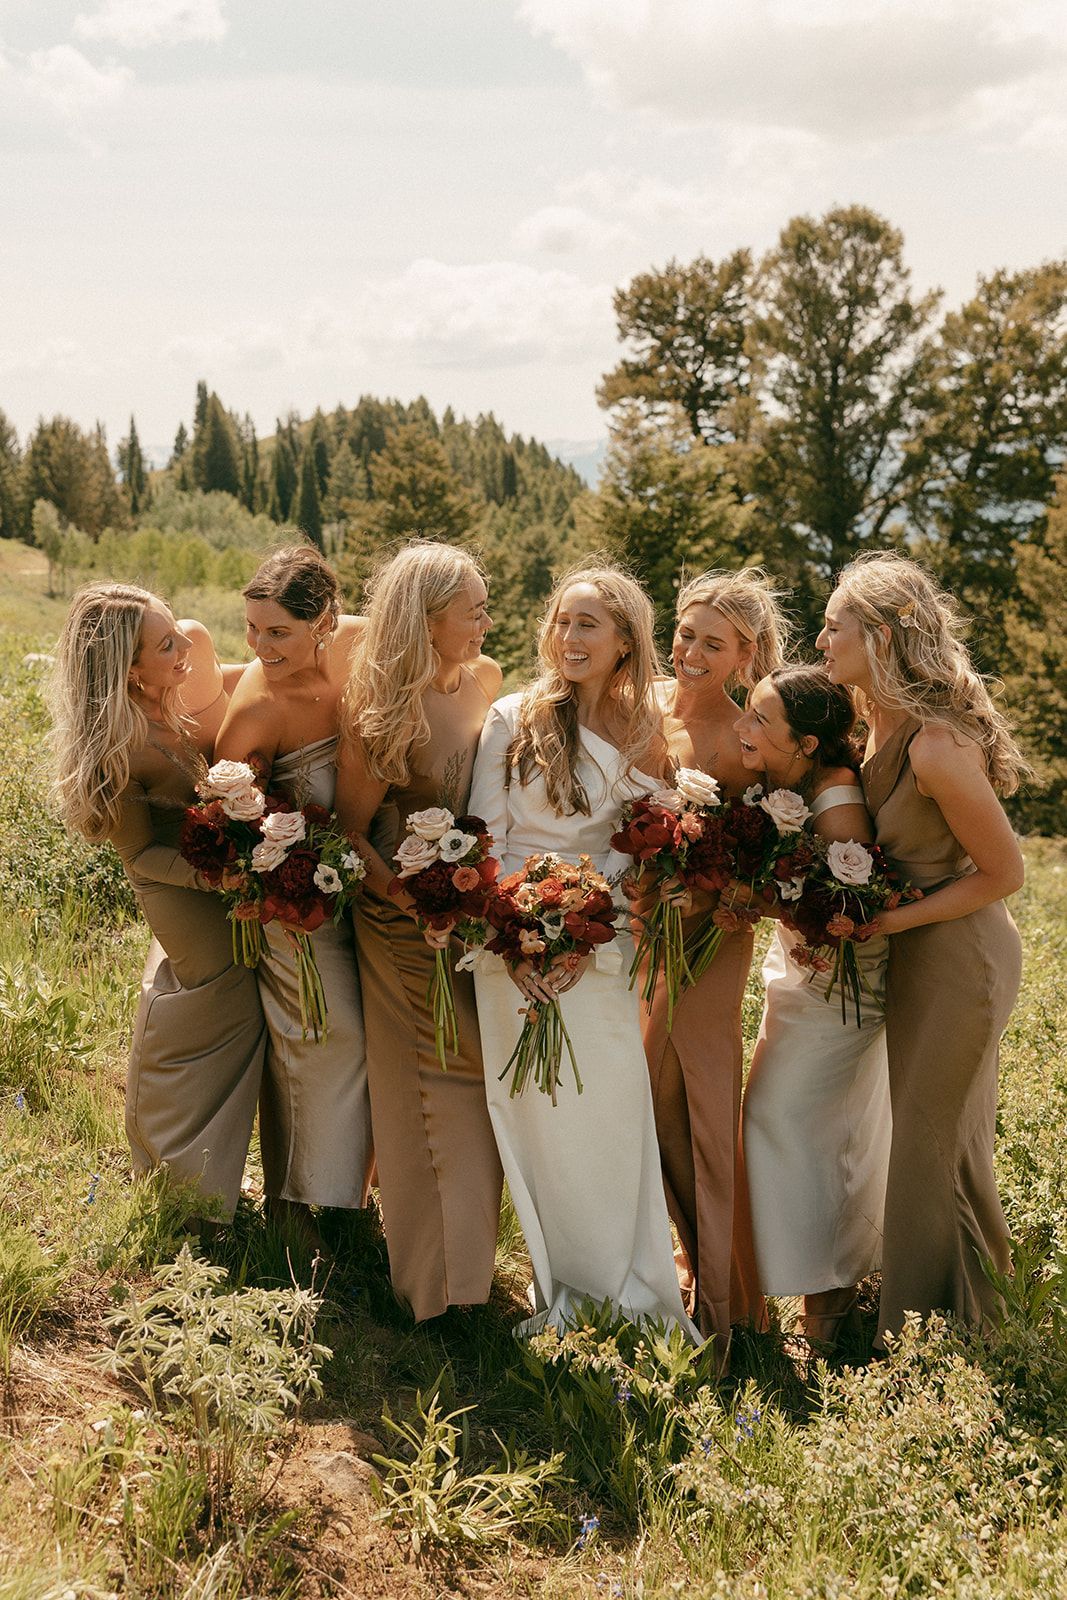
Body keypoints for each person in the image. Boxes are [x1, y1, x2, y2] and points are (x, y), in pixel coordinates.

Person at [469, 562, 699, 1340]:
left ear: (625, 640)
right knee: (531, 1117)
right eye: (563, 621)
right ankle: (561, 1290)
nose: (569, 637)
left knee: (604, 1112)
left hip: (603, 950)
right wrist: (522, 937)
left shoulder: (647, 731)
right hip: (509, 945)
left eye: (588, 624)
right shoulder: (510, 717)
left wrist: (582, 927)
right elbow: (486, 840)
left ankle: (627, 1292)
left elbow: (642, 850)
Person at [818, 551, 1027, 1345]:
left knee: (932, 1143)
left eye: (834, 626)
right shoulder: (875, 721)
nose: (821, 641)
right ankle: (950, 1319)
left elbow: (1002, 873)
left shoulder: (935, 745)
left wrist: (887, 923)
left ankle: (933, 1339)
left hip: (959, 959)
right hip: (918, 952)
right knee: (935, 1136)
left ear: (876, 635)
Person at [48, 582, 265, 1217]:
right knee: (210, 1014)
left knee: (237, 1016)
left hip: (209, 879)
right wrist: (218, 877)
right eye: (165, 644)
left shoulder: (168, 704)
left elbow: (256, 676)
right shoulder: (123, 747)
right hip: (176, 889)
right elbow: (139, 857)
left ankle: (203, 1176)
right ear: (128, 666)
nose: (185, 650)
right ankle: (169, 1174)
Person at [334, 540, 504, 1322]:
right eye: (472, 611)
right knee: (426, 1095)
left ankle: (467, 1276)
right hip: (403, 928)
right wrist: (410, 902)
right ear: (426, 620)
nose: (485, 621)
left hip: (468, 925)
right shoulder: (382, 712)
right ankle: (433, 1299)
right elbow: (347, 832)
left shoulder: (487, 683)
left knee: (472, 1086)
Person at [632, 569, 788, 1351]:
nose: (691, 651)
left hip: (706, 940)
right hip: (633, 931)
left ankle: (727, 1302)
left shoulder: (745, 735)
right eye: (686, 633)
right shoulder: (643, 702)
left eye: (713, 644)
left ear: (744, 655)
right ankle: (673, 1261)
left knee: (691, 1099)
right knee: (637, 1098)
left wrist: (710, 893)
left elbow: (771, 854)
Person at [214, 545, 372, 1238]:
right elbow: (227, 826)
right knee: (323, 1035)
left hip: (356, 893)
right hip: (292, 910)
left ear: (325, 622)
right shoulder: (259, 709)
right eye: (252, 628)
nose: (258, 646)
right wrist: (280, 876)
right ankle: (293, 1207)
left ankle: (343, 1198)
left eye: (276, 631)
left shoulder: (354, 657)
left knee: (360, 1043)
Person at [738, 664, 891, 1344]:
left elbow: (855, 900)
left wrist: (764, 898)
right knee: (784, 1126)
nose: (744, 727)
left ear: (804, 744)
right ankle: (784, 1287)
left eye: (759, 720)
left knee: (793, 1123)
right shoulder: (792, 782)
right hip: (804, 975)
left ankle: (827, 1301)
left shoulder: (836, 801)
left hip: (842, 986)